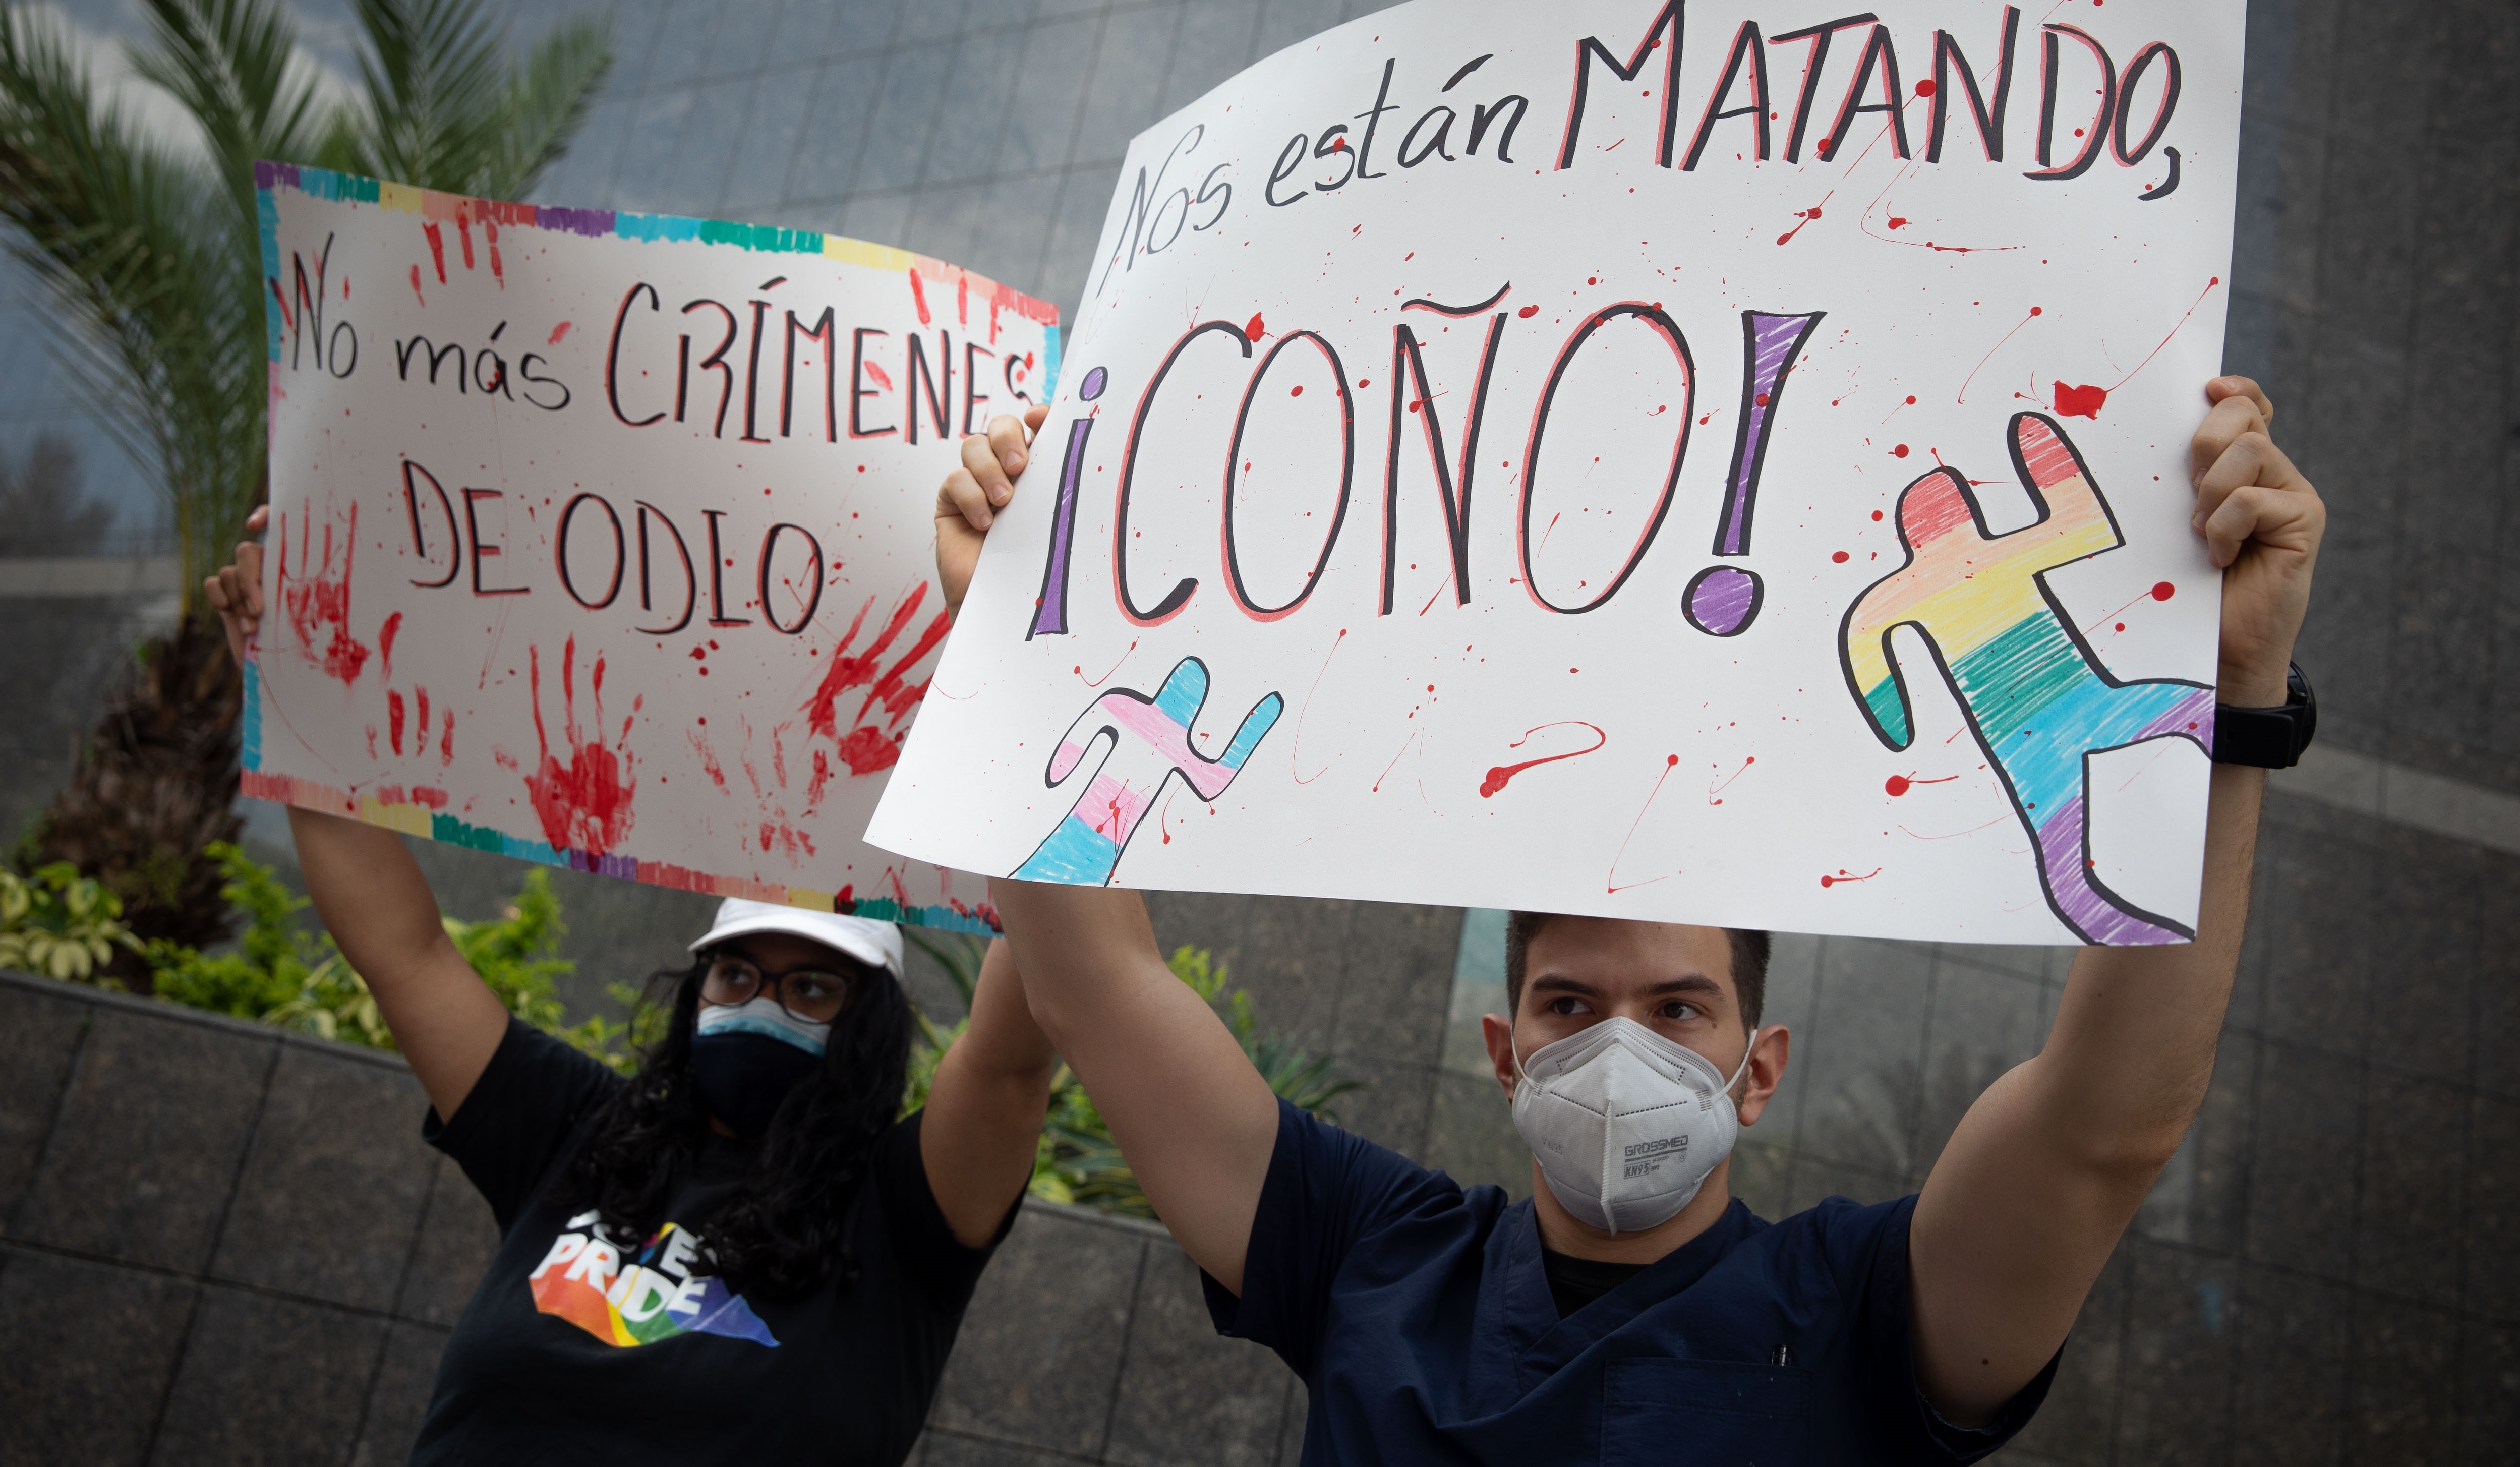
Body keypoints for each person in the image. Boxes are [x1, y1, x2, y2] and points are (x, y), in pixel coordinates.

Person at [933, 377, 2324, 1460]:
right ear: (1503, 1046)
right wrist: (1002, 644)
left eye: (1676, 1006)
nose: (1618, 1042)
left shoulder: (1864, 1312)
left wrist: (2241, 690)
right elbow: (1097, 989)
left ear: (1759, 1063)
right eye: (1568, 1003)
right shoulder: (1373, 1252)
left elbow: (2105, 1125)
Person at [204, 515, 1059, 1466]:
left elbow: (1014, 1057)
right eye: (736, 973)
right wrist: (290, 692)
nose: (760, 1002)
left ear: (869, 1029)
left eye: (810, 987)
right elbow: (408, 956)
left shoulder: (905, 1214)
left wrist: (1049, 694)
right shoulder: (582, 1134)